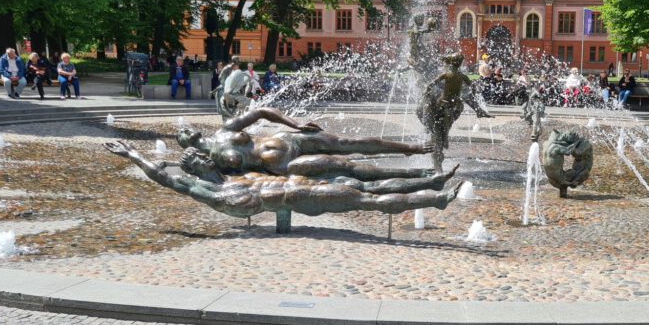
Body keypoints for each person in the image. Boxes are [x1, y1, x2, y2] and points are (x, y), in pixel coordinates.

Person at [106, 140, 463, 221]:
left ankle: (431, 183)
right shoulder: (210, 189)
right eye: (199, 159)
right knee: (365, 200)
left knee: (367, 185)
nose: (205, 157)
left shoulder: (234, 174)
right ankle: (436, 199)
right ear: (195, 170)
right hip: (298, 200)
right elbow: (165, 178)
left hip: (300, 186)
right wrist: (132, 155)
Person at [177, 105, 439, 182]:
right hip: (283, 165)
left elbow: (262, 112)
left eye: (186, 129)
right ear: (185, 145)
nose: (186, 131)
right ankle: (413, 175)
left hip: (287, 138)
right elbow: (230, 182)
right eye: (182, 135)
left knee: (350, 142)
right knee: (344, 165)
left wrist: (294, 124)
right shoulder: (209, 164)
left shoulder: (225, 130)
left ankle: (409, 149)